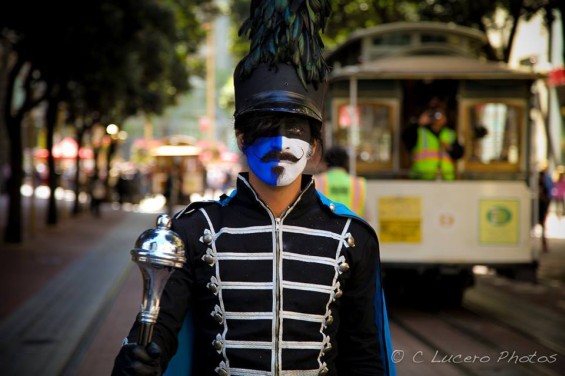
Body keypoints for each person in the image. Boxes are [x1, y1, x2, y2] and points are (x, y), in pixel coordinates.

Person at [112, 1, 395, 375]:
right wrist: (136, 360)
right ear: (241, 138)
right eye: (265, 128)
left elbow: (365, 355)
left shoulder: (352, 237)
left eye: (295, 129)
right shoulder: (195, 230)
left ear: (313, 144)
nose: (280, 143)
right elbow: (158, 333)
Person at [402, 101, 464, 180]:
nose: (438, 118)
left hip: (445, 178)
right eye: (434, 115)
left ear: (445, 118)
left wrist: (449, 147)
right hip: (422, 178)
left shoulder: (450, 134)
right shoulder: (420, 131)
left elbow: (459, 154)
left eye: (440, 115)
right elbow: (406, 138)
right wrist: (419, 123)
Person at [314, 146, 368, 219]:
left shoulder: (316, 181)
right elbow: (367, 216)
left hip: (323, 228)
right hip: (352, 228)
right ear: (346, 163)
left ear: (325, 163)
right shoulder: (358, 184)